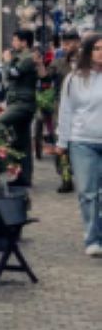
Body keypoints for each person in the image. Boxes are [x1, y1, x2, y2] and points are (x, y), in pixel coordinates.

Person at [57, 33, 102, 256]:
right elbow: (66, 111)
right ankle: (93, 238)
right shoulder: (74, 79)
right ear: (87, 52)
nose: (100, 53)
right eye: (96, 48)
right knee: (88, 192)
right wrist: (62, 141)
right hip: (83, 140)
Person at [0, 29, 40, 188]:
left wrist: (7, 61)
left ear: (24, 42)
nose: (12, 43)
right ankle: (24, 178)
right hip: (16, 101)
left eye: (15, 40)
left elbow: (13, 73)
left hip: (22, 104)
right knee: (23, 142)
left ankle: (1, 155)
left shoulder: (29, 57)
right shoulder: (22, 57)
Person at [52, 28, 82, 193]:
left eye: (69, 43)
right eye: (64, 43)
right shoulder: (59, 63)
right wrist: (40, 65)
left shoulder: (88, 61)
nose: (66, 46)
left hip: (83, 108)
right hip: (62, 107)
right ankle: (65, 178)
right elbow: (44, 77)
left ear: (78, 43)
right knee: (61, 142)